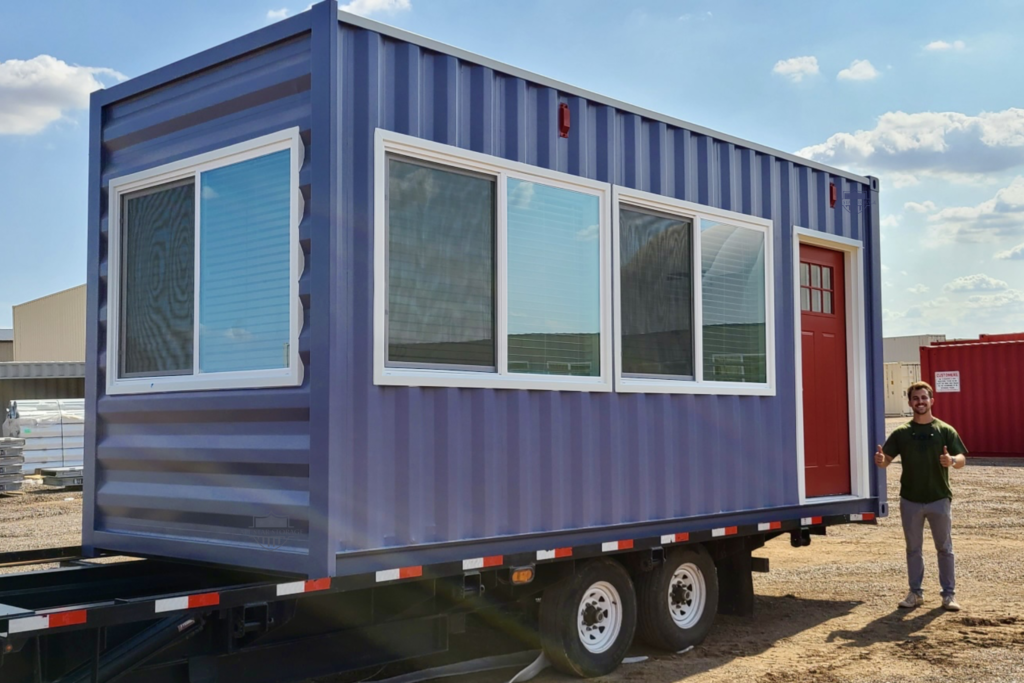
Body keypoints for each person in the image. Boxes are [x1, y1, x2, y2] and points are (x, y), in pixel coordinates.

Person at [874, 380, 967, 611]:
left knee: (944, 548)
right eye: (915, 398)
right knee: (913, 549)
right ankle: (915, 594)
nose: (920, 402)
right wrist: (881, 461)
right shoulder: (902, 433)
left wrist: (951, 461)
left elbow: (962, 459)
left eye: (924, 398)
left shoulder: (945, 430)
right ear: (909, 403)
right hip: (911, 500)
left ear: (931, 401)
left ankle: (949, 596)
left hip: (939, 499)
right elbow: (886, 460)